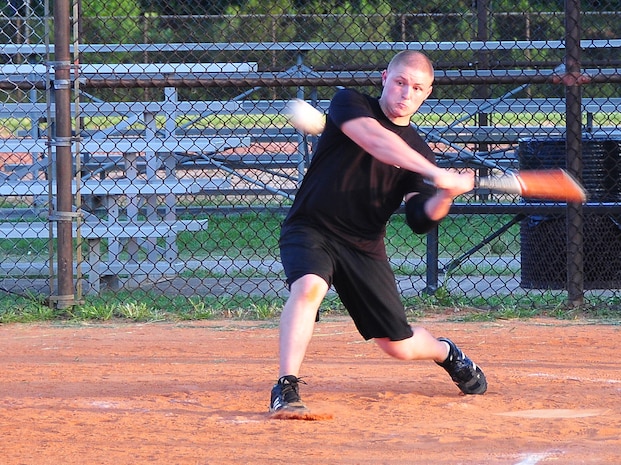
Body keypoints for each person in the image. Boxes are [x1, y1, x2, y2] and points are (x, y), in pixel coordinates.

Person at [269, 50, 487, 415]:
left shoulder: (420, 152)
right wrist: (437, 174)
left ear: (427, 93)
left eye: (417, 88)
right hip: (311, 226)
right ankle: (286, 386)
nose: (406, 94)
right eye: (400, 82)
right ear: (385, 78)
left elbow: (421, 218)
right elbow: (376, 142)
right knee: (308, 288)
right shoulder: (350, 103)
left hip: (363, 247)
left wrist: (444, 196)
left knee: (397, 346)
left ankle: (446, 351)